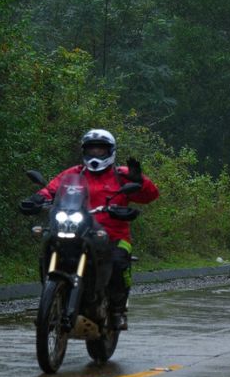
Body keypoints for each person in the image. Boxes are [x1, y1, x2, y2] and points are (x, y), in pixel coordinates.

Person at [21, 129, 159, 330]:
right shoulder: (73, 173)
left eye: (100, 150)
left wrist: (140, 182)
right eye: (91, 150)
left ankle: (118, 310)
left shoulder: (122, 176)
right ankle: (51, 301)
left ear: (110, 152)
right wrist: (37, 199)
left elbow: (150, 196)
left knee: (119, 261)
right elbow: (51, 189)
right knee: (49, 245)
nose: (95, 154)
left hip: (113, 234)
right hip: (77, 228)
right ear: (84, 151)